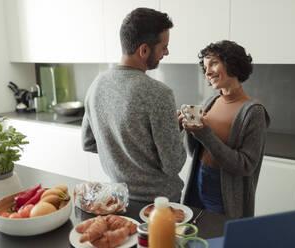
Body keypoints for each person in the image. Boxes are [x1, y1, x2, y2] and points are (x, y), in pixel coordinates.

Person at [81, 8, 186, 202]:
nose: (166, 52)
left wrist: (123, 158)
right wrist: (178, 132)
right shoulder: (159, 93)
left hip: (118, 199)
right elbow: (173, 164)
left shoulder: (96, 85)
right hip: (160, 205)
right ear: (144, 50)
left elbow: (88, 143)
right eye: (163, 47)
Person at [180, 40, 270, 218]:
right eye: (205, 67)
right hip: (197, 181)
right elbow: (195, 152)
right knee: (192, 238)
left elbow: (245, 166)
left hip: (224, 191)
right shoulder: (210, 102)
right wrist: (190, 130)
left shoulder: (253, 112)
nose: (208, 72)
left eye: (213, 63)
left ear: (232, 63)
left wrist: (205, 134)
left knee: (219, 240)